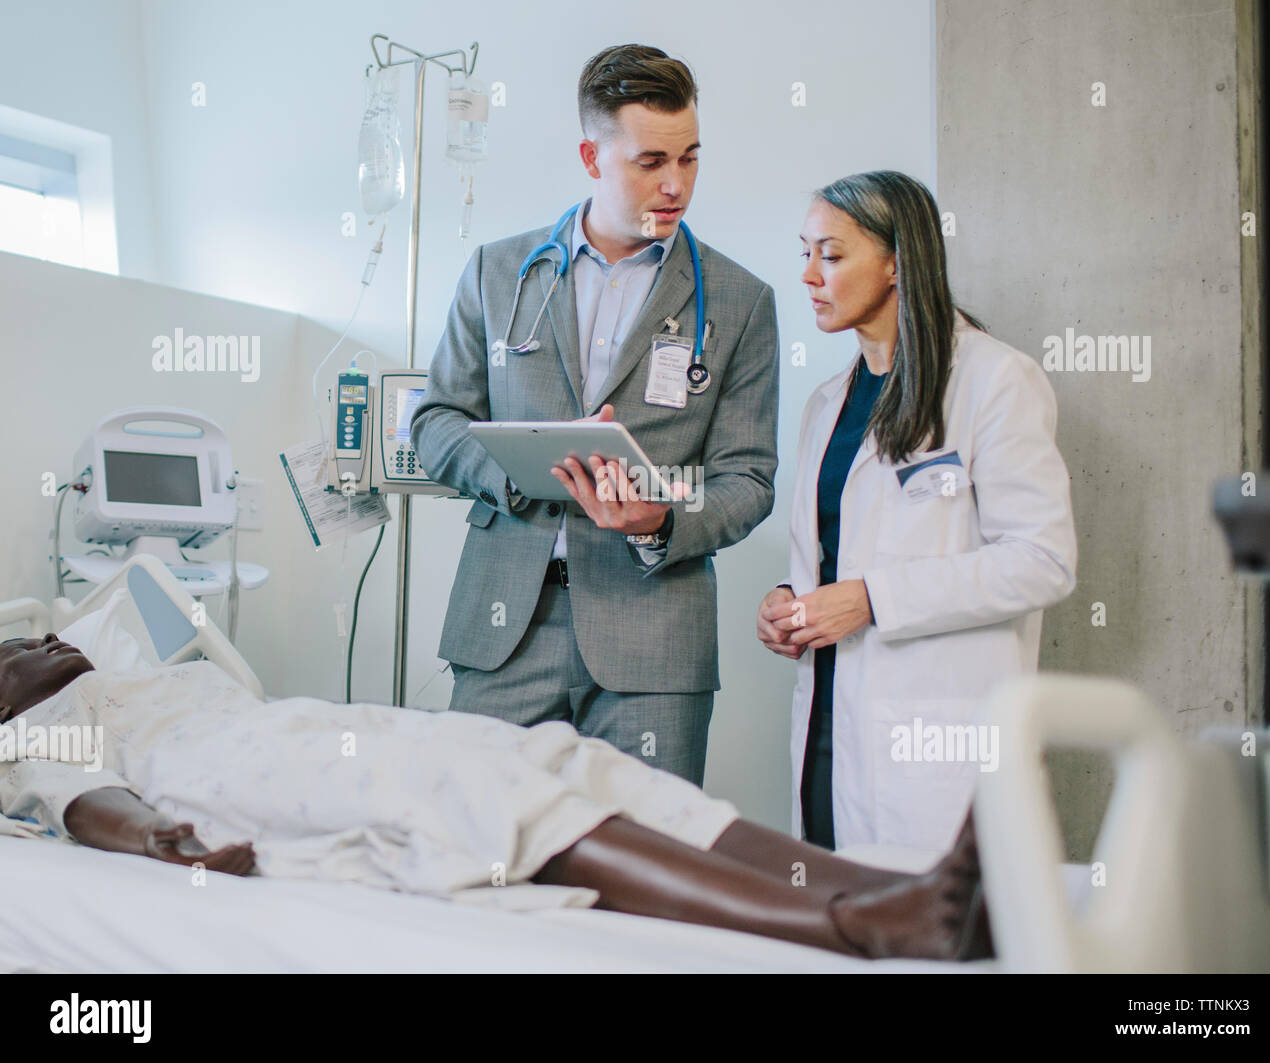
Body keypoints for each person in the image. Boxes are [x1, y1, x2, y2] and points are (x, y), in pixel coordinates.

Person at [0, 633, 991, 961]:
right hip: (227, 770)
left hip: (301, 720)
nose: (43, 645)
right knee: (463, 789)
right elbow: (88, 804)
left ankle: (876, 877)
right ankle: (852, 923)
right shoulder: (32, 735)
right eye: (19, 651)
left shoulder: (135, 662)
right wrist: (164, 841)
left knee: (562, 754)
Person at [409, 44, 780, 786]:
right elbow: (436, 419)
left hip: (653, 645)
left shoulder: (741, 303)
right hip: (505, 628)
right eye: (650, 161)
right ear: (591, 155)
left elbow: (749, 478)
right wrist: (520, 475)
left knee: (643, 871)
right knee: (473, 848)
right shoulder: (497, 271)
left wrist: (660, 517)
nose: (676, 184)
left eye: (690, 158)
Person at [756, 172, 1077, 852]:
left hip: (937, 735)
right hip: (828, 725)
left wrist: (874, 599)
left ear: (897, 260)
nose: (809, 275)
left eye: (832, 254)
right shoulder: (825, 404)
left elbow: (1043, 561)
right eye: (805, 252)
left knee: (930, 944)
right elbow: (834, 561)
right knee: (836, 928)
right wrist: (791, 602)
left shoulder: (994, 381)